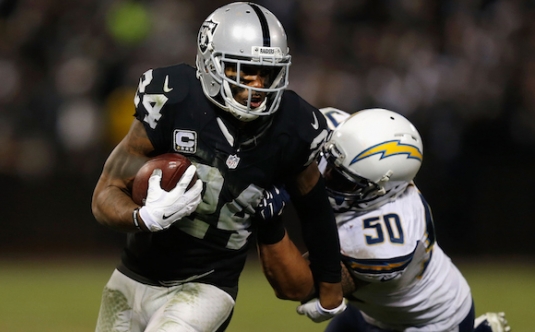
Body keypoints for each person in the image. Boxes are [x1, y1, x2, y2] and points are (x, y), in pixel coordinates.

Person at [91, 2, 345, 332]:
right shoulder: (174, 97)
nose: (256, 85)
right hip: (133, 274)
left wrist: (331, 291)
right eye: (243, 70)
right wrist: (143, 217)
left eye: (266, 72)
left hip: (208, 284)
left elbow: (315, 211)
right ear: (211, 63)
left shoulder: (293, 124)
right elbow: (106, 193)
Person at [257, 107, 511, 331]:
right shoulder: (342, 132)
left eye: (341, 179)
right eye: (327, 159)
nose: (324, 174)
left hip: (432, 322)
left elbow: (298, 287)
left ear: (381, 190)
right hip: (371, 312)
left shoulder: (383, 240)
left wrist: (269, 221)